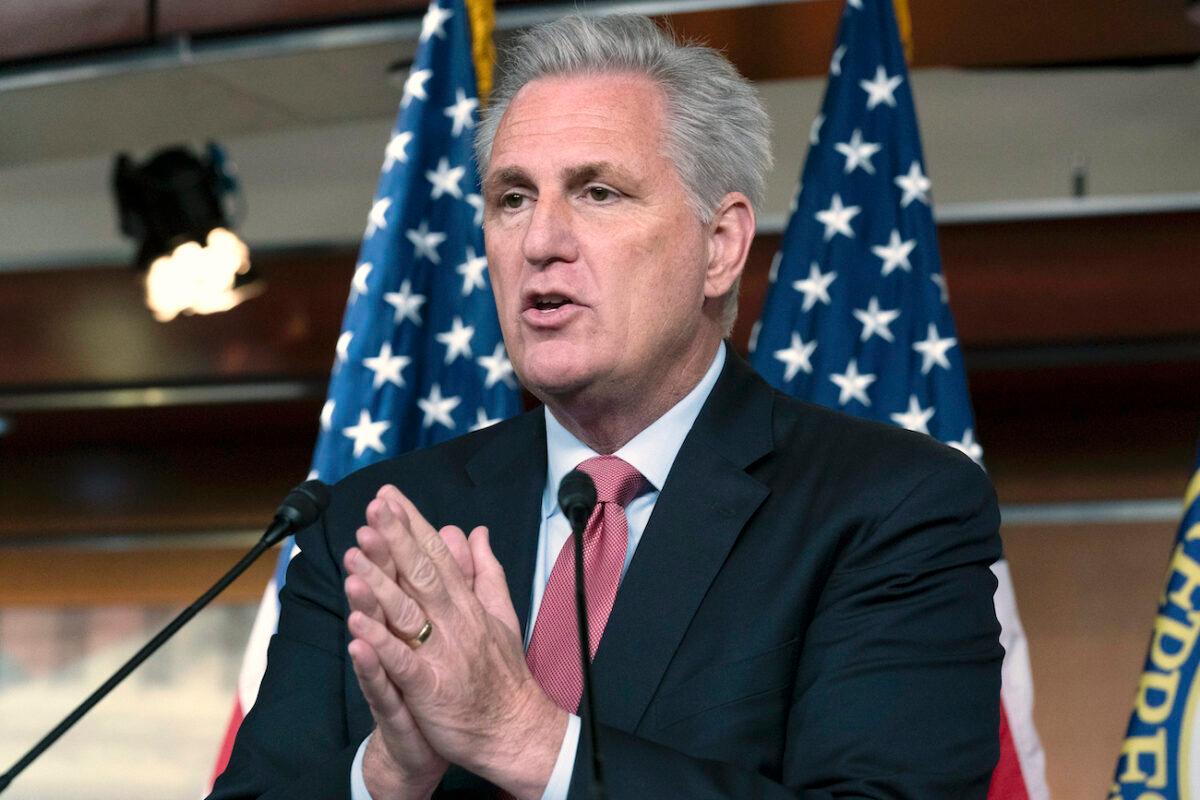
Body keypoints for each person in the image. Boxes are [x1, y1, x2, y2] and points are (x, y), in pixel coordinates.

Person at [209, 14, 1002, 800]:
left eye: (598, 191)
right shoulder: (372, 521)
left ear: (720, 246)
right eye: (512, 198)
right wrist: (385, 778)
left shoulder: (890, 508)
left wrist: (524, 737)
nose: (541, 241)